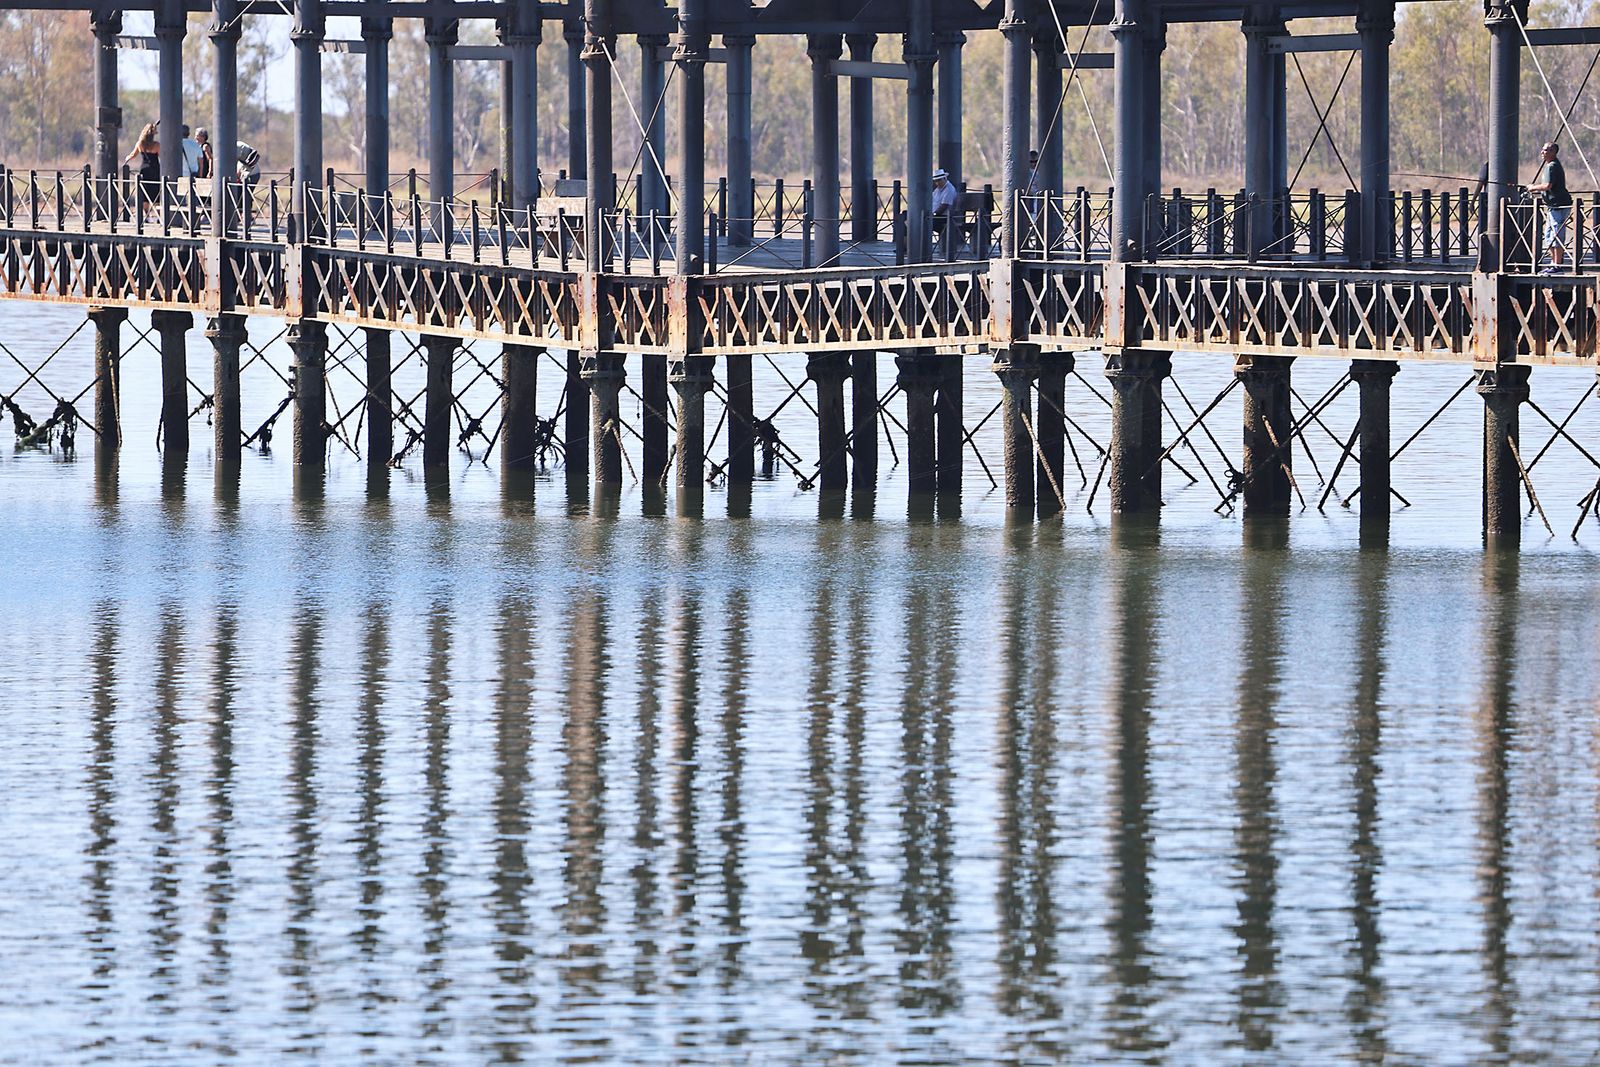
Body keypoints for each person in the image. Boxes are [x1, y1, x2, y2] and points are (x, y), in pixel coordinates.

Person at [1529, 140, 1573, 273]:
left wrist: (1532, 188)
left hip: (1559, 206)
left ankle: (1557, 265)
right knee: (1549, 236)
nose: (1542, 152)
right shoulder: (1551, 165)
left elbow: (1548, 186)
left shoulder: (1552, 166)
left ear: (1553, 152)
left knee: (1556, 235)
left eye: (1546, 150)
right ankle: (1554, 263)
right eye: (1543, 149)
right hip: (1553, 206)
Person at [123, 121, 160, 222]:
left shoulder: (140, 144)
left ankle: (146, 216)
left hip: (144, 170)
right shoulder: (156, 145)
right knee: (156, 193)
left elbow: (132, 155)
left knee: (144, 193)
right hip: (155, 170)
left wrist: (126, 159)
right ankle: (158, 216)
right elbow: (161, 156)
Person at [931, 167, 959, 249]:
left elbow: (944, 206)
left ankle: (917, 246)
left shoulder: (949, 189)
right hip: (936, 216)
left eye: (939, 180)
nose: (937, 183)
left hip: (944, 217)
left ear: (944, 178)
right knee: (907, 217)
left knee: (923, 224)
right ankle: (906, 245)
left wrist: (933, 214)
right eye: (936, 181)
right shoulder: (937, 190)